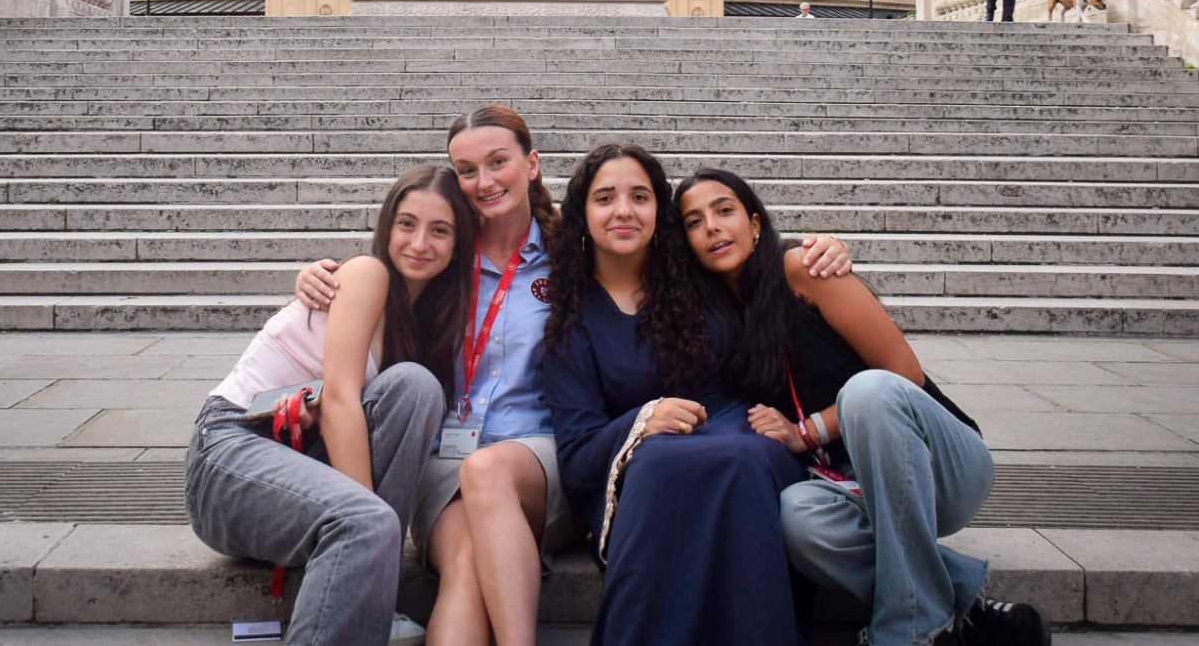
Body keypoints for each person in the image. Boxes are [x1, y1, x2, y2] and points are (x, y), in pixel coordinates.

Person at [294, 108, 856, 646]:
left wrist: (812, 251)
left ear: (532, 164)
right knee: (463, 562)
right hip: (451, 456)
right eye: (467, 170)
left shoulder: (566, 255)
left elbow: (728, 260)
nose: (484, 181)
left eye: (498, 162)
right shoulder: (443, 248)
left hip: (538, 452)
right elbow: (392, 264)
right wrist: (325, 277)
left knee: (493, 472)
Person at [673, 167, 1050, 646]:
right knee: (798, 521)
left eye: (724, 210)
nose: (711, 227)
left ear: (755, 223)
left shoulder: (802, 268)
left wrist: (806, 431)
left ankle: (902, 635)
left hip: (938, 465)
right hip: (851, 485)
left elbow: (904, 372)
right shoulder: (717, 320)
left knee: (867, 392)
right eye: (694, 222)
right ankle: (966, 607)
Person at [185, 165, 470, 646]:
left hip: (300, 466)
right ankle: (369, 561)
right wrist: (371, 523)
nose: (420, 243)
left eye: (439, 230)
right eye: (407, 224)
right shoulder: (366, 273)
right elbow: (338, 399)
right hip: (231, 454)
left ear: (458, 244)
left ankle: (366, 571)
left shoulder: (423, 318)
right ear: (387, 227)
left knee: (418, 386)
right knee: (367, 521)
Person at [544, 144, 806, 646]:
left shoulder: (696, 274)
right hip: (643, 465)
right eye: (605, 198)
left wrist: (819, 249)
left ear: (658, 211)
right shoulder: (571, 322)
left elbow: (764, 263)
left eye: (639, 197)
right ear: (582, 215)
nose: (623, 211)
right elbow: (576, 459)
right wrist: (641, 421)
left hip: (743, 436)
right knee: (661, 462)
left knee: (741, 461)